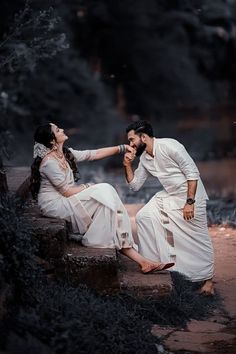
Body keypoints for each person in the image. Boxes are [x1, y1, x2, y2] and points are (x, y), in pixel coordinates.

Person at [30, 123, 174, 274]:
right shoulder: (49, 163)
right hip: (55, 205)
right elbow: (66, 192)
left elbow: (94, 154)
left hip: (66, 199)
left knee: (107, 202)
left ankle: (144, 262)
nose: (63, 130)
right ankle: (141, 260)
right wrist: (89, 187)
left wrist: (121, 148)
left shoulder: (65, 154)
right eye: (58, 130)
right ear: (52, 141)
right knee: (104, 192)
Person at [123, 120, 214, 295]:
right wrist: (127, 165)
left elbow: (192, 173)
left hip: (192, 196)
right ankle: (153, 263)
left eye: (132, 139)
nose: (130, 145)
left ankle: (208, 280)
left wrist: (189, 203)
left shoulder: (171, 146)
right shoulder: (145, 158)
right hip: (170, 196)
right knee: (145, 217)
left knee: (198, 236)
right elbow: (134, 186)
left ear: (143, 137)